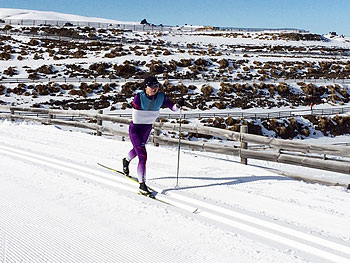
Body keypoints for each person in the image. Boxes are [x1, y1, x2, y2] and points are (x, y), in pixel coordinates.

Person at [122, 76, 185, 195]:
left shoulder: (161, 97)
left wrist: (178, 105)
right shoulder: (138, 97)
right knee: (143, 156)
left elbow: (173, 108)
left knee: (137, 151)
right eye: (152, 86)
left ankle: (126, 161)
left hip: (146, 129)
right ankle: (142, 184)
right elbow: (137, 114)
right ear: (146, 87)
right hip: (135, 129)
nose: (155, 89)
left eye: (157, 86)